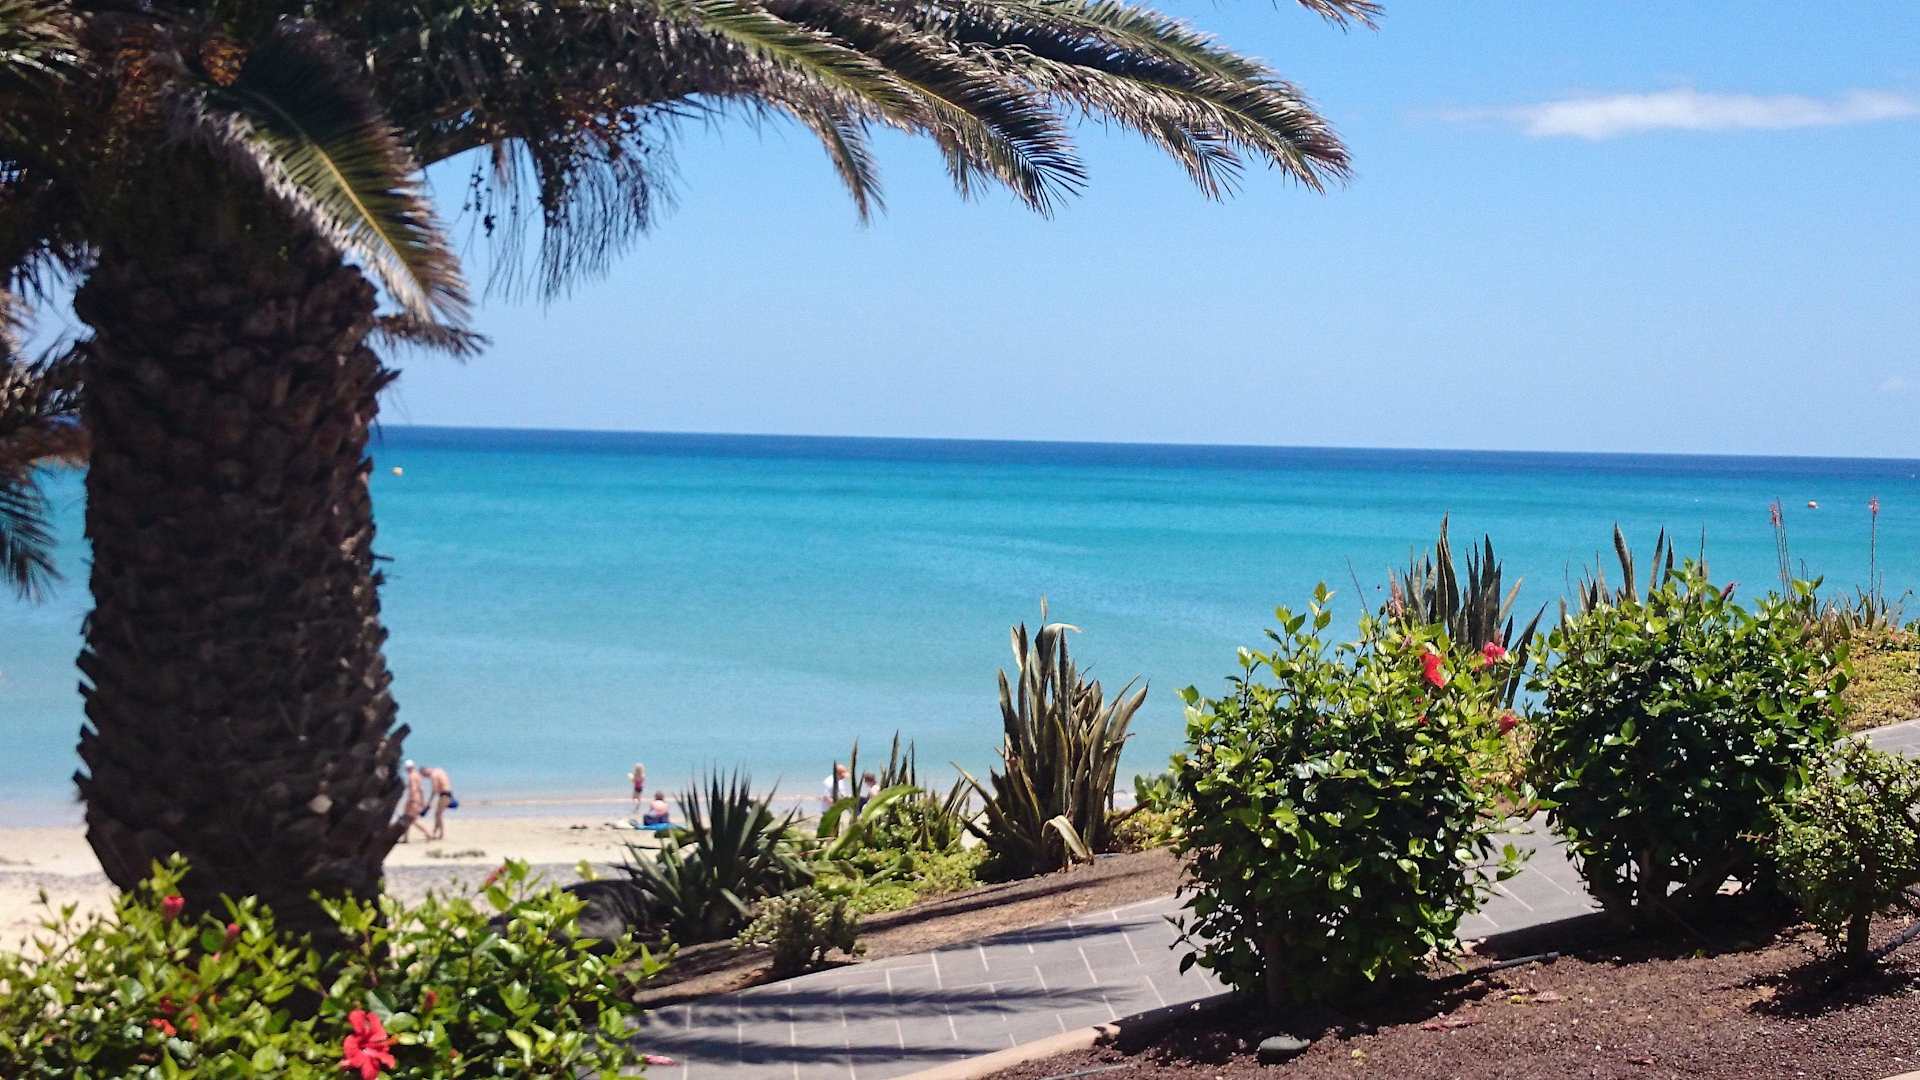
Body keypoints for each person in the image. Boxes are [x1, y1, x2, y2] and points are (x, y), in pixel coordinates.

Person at [422, 764, 456, 841]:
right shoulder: (439, 770)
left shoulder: (433, 775)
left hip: (444, 794)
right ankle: (435, 833)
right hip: (448, 793)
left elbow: (434, 790)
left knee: (438, 814)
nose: (426, 777)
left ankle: (440, 834)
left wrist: (429, 802)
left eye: (425, 775)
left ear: (426, 770)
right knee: (438, 814)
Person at [399, 760, 429, 842]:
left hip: (412, 799)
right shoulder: (417, 775)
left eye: (406, 768)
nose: (406, 770)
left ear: (408, 768)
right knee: (408, 819)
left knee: (411, 819)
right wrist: (422, 801)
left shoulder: (411, 776)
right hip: (417, 799)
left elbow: (413, 789)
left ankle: (427, 834)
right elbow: (421, 790)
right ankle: (405, 838)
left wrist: (410, 800)